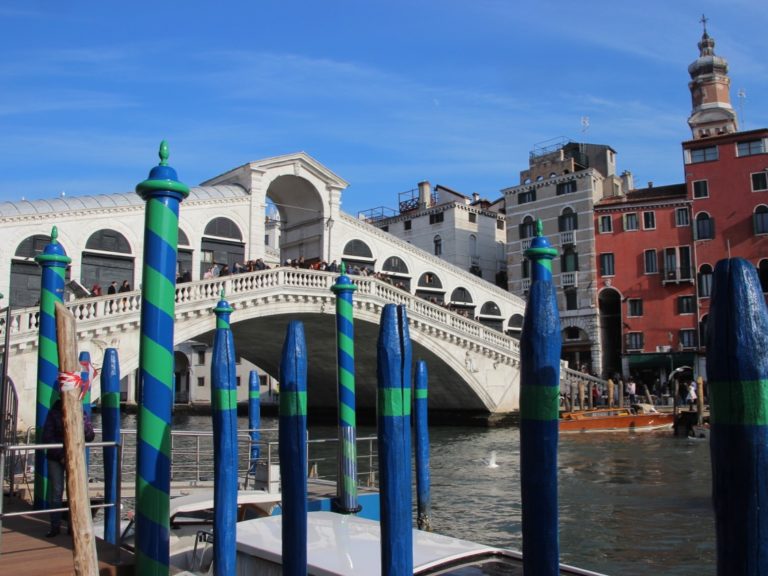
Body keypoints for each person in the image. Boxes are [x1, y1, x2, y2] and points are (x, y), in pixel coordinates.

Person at [42, 399, 95, 537]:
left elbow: (90, 436)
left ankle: (74, 526)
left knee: (75, 491)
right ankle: (55, 526)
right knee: (57, 491)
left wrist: (83, 424)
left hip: (75, 457)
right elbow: (47, 437)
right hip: (56, 457)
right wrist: (62, 456)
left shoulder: (80, 411)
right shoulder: (54, 412)